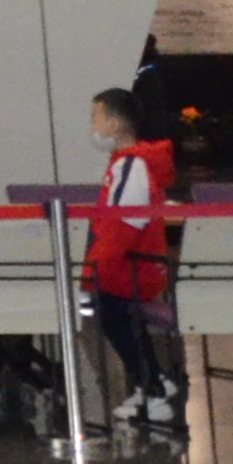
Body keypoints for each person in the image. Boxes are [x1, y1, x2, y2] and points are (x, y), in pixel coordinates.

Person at [79, 85, 178, 432]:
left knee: (111, 312)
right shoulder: (129, 163)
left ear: (116, 123)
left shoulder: (131, 165)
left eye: (97, 117)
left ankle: (154, 390)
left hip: (133, 266)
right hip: (133, 264)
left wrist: (92, 273)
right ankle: (150, 382)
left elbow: (121, 225)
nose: (93, 126)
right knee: (118, 316)